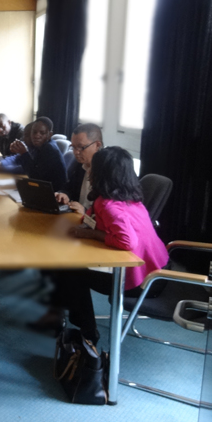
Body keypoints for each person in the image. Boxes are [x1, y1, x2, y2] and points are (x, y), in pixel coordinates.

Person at [31, 147, 169, 344]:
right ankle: (70, 316)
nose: (89, 172)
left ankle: (88, 333)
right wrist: (88, 221)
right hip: (159, 269)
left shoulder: (109, 205)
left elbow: (127, 241)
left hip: (147, 281)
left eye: (92, 169)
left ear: (102, 174)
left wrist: (91, 233)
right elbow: (99, 221)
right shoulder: (128, 197)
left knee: (71, 270)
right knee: (70, 266)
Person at [54, 123, 103, 214]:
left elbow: (110, 211)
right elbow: (69, 187)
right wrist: (64, 194)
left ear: (97, 145)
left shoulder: (108, 172)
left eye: (81, 147)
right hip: (76, 217)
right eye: (73, 147)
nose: (76, 152)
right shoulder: (80, 165)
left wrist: (86, 212)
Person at [9, 117, 67, 191]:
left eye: (42, 133)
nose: (36, 136)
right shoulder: (41, 145)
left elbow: (35, 177)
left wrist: (24, 153)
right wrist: (19, 151)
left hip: (53, 193)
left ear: (50, 135)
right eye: (34, 132)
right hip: (43, 188)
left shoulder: (49, 149)